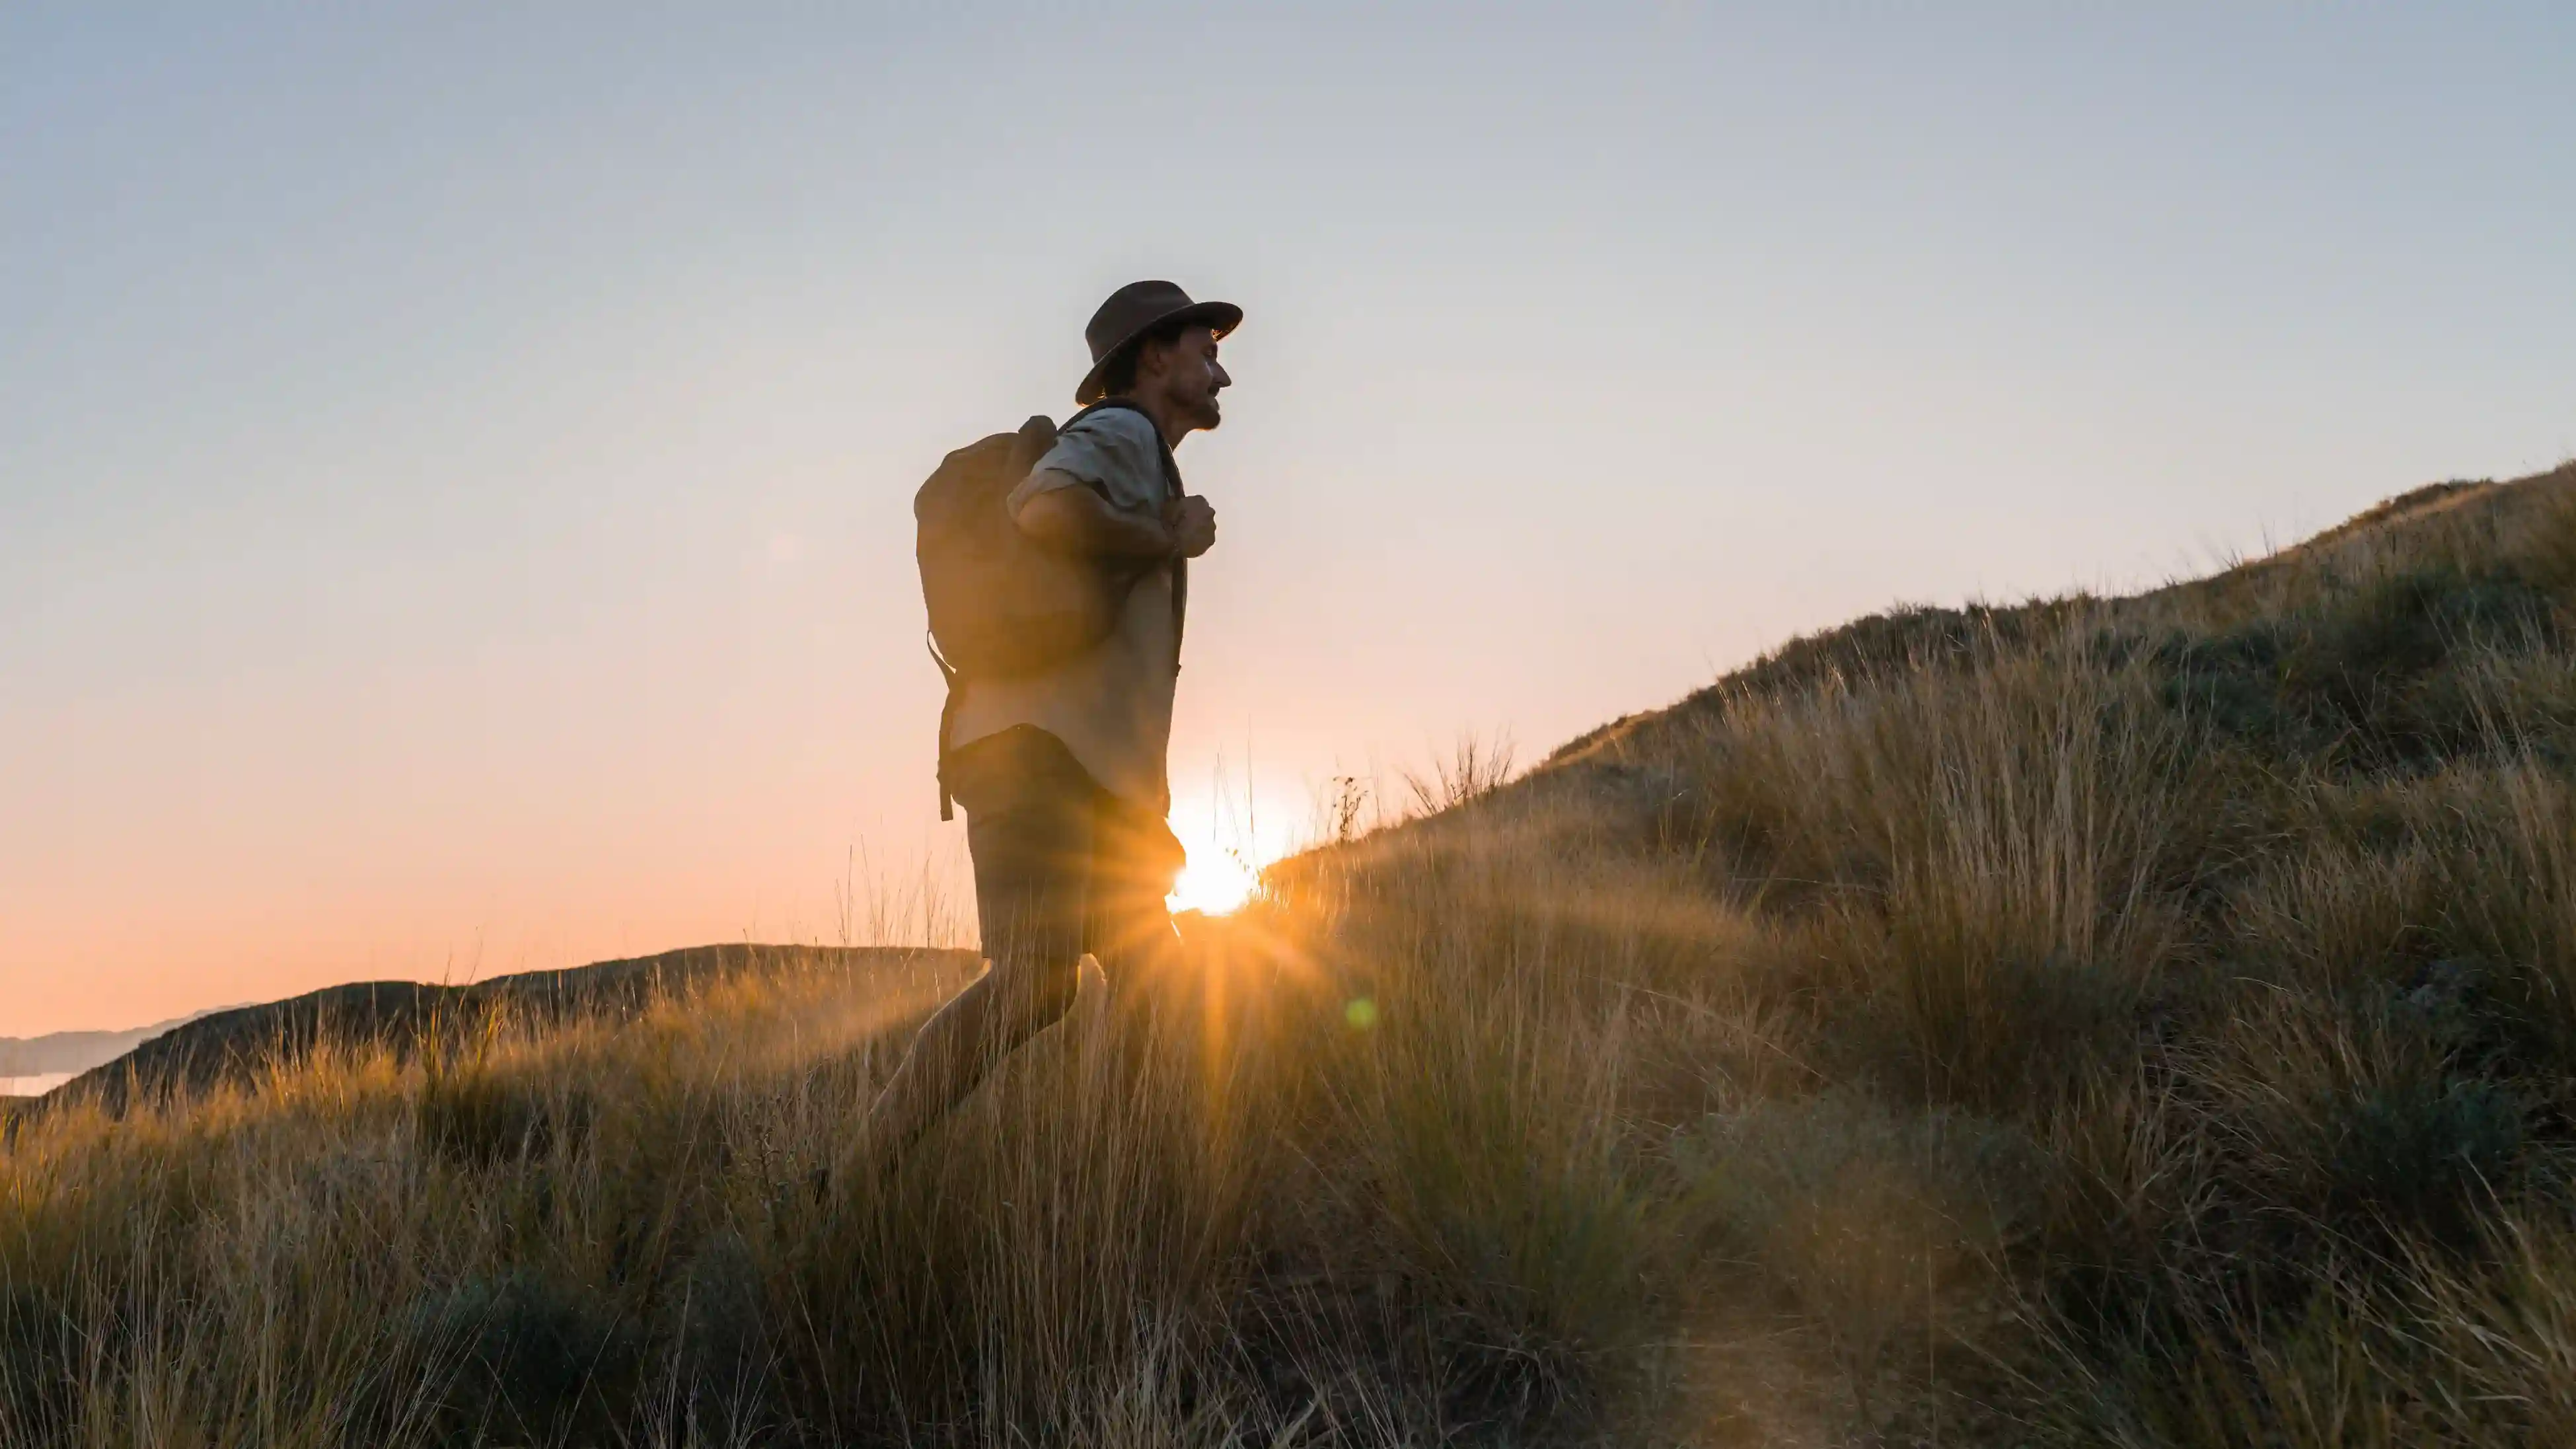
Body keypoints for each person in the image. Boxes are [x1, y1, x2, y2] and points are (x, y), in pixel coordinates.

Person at [866, 279, 1237, 1152]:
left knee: (1155, 979)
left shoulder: (1140, 452)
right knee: (1036, 983)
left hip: (1078, 772)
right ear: (1154, 356)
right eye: (1206, 352)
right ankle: (843, 1190)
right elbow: (1043, 505)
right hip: (1034, 759)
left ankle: (1116, 1190)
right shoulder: (1121, 431)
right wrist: (1167, 537)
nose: (1222, 376)